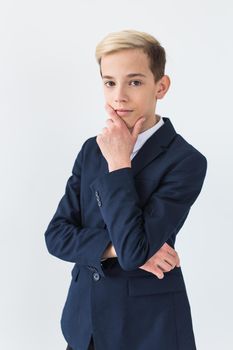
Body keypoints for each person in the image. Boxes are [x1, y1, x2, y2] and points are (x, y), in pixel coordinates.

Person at [44, 29, 207, 350]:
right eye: (109, 82)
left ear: (160, 86)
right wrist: (114, 248)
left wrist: (119, 164)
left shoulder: (185, 161)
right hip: (84, 322)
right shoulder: (92, 150)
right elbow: (56, 236)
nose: (118, 96)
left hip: (147, 327)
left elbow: (135, 253)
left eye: (134, 82)